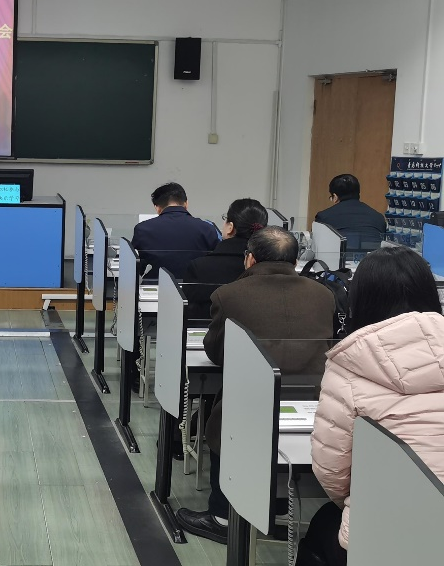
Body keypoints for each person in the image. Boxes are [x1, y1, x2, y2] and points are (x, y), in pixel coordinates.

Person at [176, 226, 335, 545]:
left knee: (221, 418)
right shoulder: (324, 295)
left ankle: (222, 516)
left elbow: (216, 351)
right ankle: (277, 510)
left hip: (252, 400)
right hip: (311, 400)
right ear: (295, 261)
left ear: (249, 259)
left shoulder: (229, 295)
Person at [298, 247, 444, 566]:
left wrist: (360, 501)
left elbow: (332, 472)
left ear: (359, 300)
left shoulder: (349, 362)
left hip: (389, 532)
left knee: (324, 524)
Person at [183, 198, 269, 320]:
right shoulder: (269, 267)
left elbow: (191, 315)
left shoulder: (199, 267)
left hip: (212, 330)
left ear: (230, 227)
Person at [131, 182, 220, 281]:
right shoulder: (207, 228)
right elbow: (216, 262)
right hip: (196, 288)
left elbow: (134, 264)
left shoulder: (142, 229)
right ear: (186, 204)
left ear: (157, 208)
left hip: (155, 287)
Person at [314, 174, 386, 254]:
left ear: (335, 197)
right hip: (372, 261)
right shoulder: (378, 217)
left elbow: (316, 248)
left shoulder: (323, 217)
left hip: (337, 261)